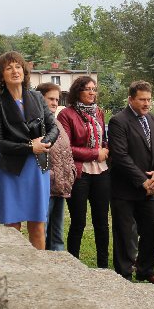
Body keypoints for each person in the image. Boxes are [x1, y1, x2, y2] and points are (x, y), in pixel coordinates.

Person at [0, 51, 59, 250]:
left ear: (24, 71)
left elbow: (53, 128)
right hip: (11, 171)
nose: (15, 71)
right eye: (8, 68)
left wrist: (43, 143)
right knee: (12, 228)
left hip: (37, 170)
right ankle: (14, 267)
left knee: (37, 226)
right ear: (1, 75)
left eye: (18, 66)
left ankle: (39, 267)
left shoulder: (37, 97)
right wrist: (30, 147)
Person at [109, 80, 154, 285]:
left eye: (149, 99)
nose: (146, 103)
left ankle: (145, 270)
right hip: (125, 189)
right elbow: (120, 156)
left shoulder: (153, 119)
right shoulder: (118, 121)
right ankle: (124, 275)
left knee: (152, 230)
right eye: (142, 99)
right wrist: (142, 180)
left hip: (149, 190)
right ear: (130, 99)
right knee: (125, 234)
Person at [57, 76, 111, 267]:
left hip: (101, 172)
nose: (92, 92)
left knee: (102, 222)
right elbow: (66, 147)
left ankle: (103, 266)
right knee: (78, 222)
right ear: (77, 91)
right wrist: (95, 153)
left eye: (94, 89)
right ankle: (73, 264)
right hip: (79, 173)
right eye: (87, 89)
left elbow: (103, 138)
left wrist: (105, 149)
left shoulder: (99, 112)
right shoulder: (66, 114)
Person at [37, 82, 75, 252]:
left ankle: (58, 265)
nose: (54, 103)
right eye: (50, 99)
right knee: (42, 233)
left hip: (60, 186)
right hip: (45, 186)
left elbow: (66, 151)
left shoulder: (56, 123)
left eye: (57, 100)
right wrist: (50, 174)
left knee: (57, 235)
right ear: (40, 99)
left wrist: (70, 172)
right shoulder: (35, 124)